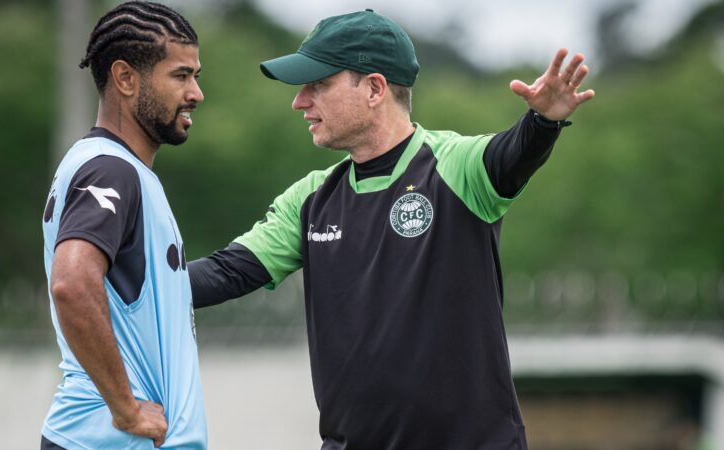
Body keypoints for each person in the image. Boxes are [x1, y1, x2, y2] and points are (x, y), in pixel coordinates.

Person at [189, 8, 594, 450]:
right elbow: (226, 272)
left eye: (318, 85)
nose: (300, 101)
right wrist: (132, 280)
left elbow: (512, 155)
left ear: (374, 89)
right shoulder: (309, 199)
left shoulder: (454, 166)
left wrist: (542, 123)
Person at [41, 1, 207, 448]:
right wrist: (127, 410)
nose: (196, 93)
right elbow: (71, 282)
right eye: (180, 76)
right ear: (125, 78)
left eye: (196, 76)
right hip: (111, 439)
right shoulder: (110, 170)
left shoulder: (113, 168)